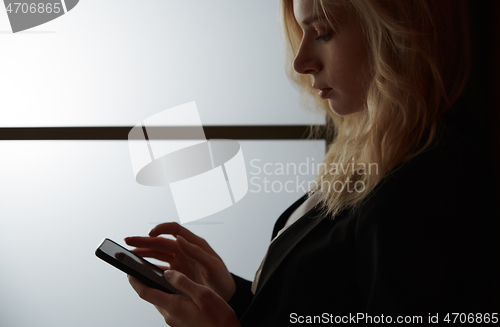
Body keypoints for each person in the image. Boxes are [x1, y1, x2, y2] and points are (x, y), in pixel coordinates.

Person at [124, 0, 499, 326]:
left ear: (396, 33)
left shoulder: (430, 184)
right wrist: (230, 293)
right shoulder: (377, 150)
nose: (302, 61)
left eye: (322, 32)